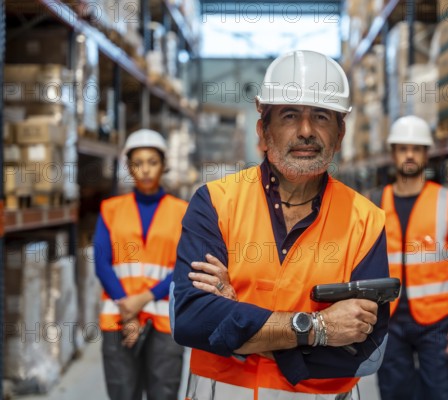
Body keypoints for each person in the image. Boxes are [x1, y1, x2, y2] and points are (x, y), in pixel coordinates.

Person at [170, 50, 390, 400]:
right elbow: (192, 320)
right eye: (290, 115)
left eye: (321, 116)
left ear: (340, 132)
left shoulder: (366, 221)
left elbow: (363, 351)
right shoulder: (214, 203)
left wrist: (235, 322)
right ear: (263, 128)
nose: (305, 131)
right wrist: (319, 327)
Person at [373, 116, 448, 400]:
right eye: (403, 148)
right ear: (393, 153)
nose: (409, 155)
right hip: (390, 322)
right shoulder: (374, 206)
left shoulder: (447, 202)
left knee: (438, 393)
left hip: (438, 323)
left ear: (426, 154)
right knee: (395, 394)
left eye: (417, 148)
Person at [94, 129, 188, 400]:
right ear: (128, 167)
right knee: (123, 393)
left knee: (164, 393)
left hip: (165, 322)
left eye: (152, 162)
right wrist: (127, 308)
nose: (145, 170)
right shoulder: (111, 209)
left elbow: (186, 266)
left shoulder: (183, 211)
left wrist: (143, 298)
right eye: (138, 163)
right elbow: (101, 262)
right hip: (120, 318)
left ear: (163, 165)